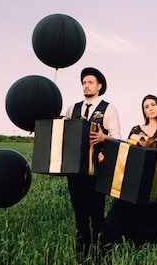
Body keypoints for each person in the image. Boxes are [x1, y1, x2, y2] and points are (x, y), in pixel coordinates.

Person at [99, 94, 157, 246]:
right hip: (137, 180)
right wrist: (105, 156)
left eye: (153, 105)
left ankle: (154, 246)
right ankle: (132, 244)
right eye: (146, 107)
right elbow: (125, 153)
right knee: (129, 215)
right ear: (144, 111)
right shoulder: (136, 130)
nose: (150, 108)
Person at [64, 67, 121, 256]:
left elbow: (117, 137)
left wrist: (104, 138)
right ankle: (82, 251)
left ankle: (101, 251)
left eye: (90, 82)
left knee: (96, 212)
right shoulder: (73, 108)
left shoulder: (108, 108)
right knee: (79, 213)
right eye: (84, 83)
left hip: (97, 168)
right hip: (75, 168)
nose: (86, 86)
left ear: (99, 86)